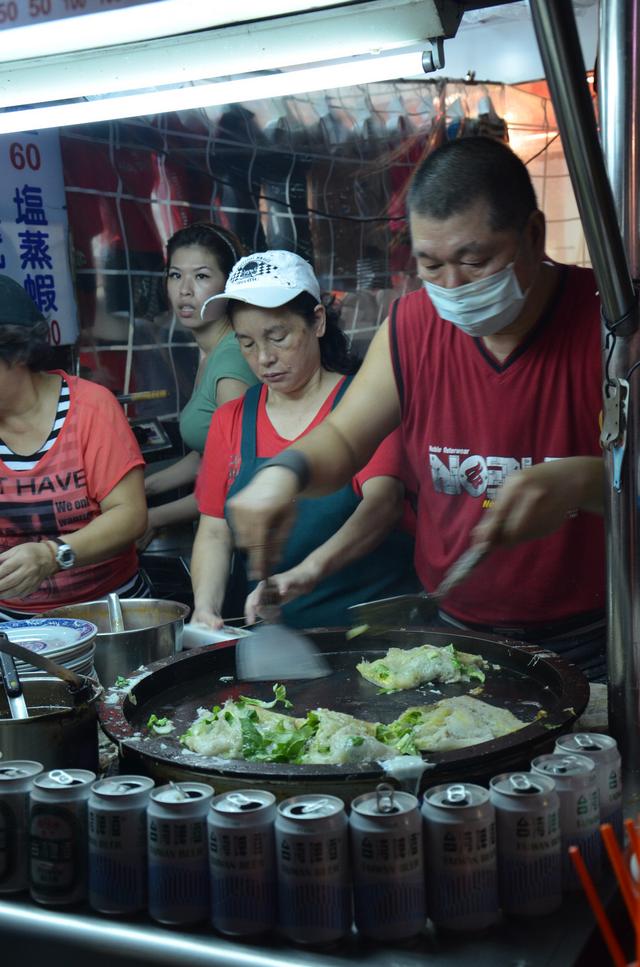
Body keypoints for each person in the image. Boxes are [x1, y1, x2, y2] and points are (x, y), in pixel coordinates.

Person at [226, 137, 607, 680]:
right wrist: (282, 475)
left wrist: (584, 481)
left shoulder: (610, 323)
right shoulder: (412, 325)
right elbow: (343, 439)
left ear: (534, 234)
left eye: (475, 261)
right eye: (431, 264)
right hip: (453, 634)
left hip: (591, 640)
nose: (452, 287)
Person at [190, 250, 419, 629]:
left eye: (277, 337)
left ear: (317, 322)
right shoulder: (232, 419)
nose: (264, 357)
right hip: (277, 638)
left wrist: (309, 571)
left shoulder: (366, 404)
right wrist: (206, 609)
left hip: (374, 635)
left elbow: (383, 504)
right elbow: (214, 530)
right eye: (246, 343)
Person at [0, 275, 148, 617]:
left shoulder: (91, 407)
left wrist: (52, 556)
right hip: (13, 623)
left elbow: (129, 516)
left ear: (17, 351)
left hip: (107, 613)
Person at [140, 223, 258, 547]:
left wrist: (153, 518)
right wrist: (146, 488)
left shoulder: (232, 361)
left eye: (202, 276)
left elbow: (238, 474)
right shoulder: (210, 351)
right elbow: (210, 452)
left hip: (242, 540)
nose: (185, 290)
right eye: (176, 275)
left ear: (229, 284)